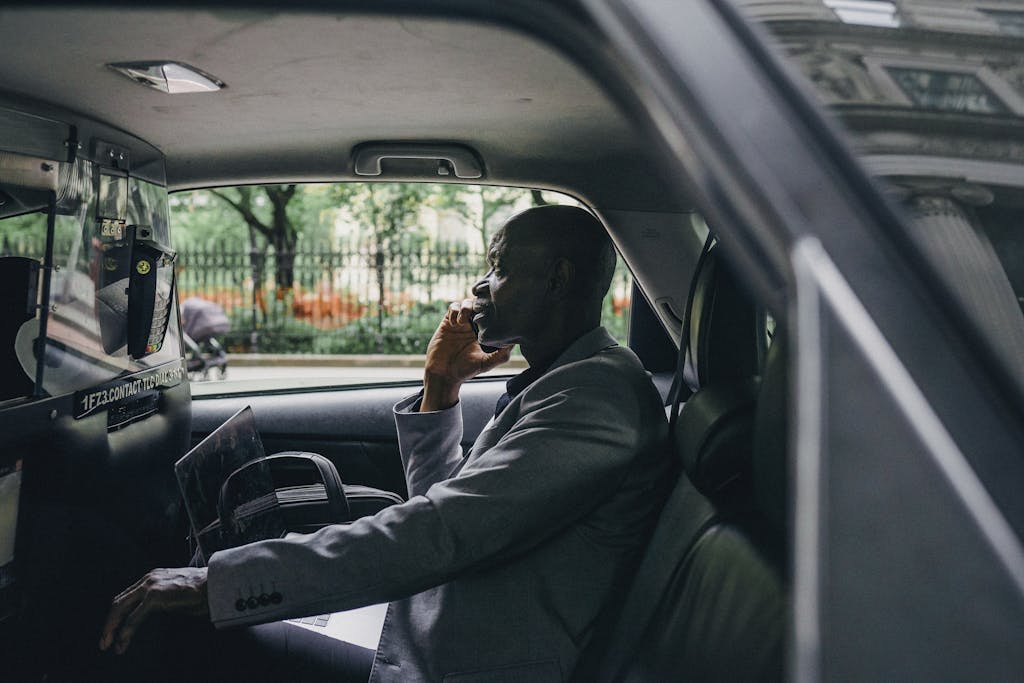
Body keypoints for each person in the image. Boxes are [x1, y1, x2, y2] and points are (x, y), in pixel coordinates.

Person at [100, 204, 672, 682]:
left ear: (558, 279)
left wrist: (217, 582)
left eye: (498, 267)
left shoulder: (595, 398)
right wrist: (440, 386)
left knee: (194, 627)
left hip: (468, 662)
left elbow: (439, 534)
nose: (480, 284)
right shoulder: (563, 379)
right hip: (440, 625)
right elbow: (449, 512)